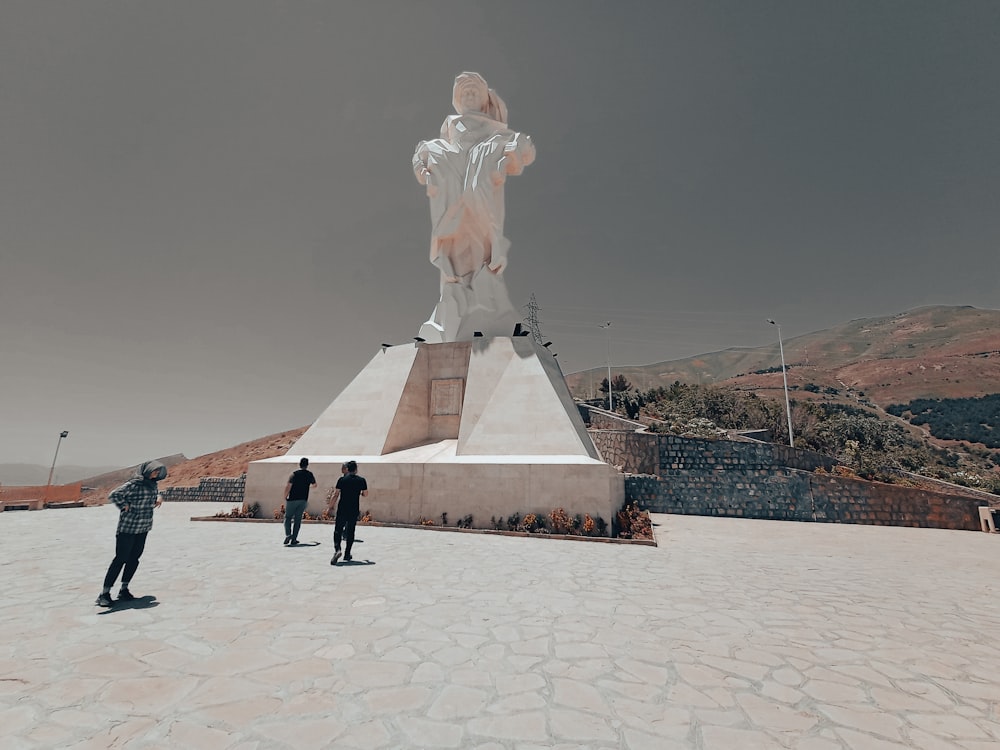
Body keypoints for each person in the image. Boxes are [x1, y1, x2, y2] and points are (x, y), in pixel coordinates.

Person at [412, 72, 535, 342]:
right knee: (454, 265)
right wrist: (426, 165)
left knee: (482, 256)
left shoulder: (497, 135)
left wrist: (510, 152)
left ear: (484, 101)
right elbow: (421, 161)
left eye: (474, 92)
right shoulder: (442, 141)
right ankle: (451, 317)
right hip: (451, 209)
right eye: (464, 92)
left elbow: (523, 152)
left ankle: (487, 313)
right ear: (456, 99)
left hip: (481, 208)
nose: (469, 96)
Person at [96, 460, 167, 606]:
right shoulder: (133, 484)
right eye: (154, 471)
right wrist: (124, 506)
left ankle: (124, 589)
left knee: (134, 558)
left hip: (144, 527)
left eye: (158, 472)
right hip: (128, 528)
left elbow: (155, 493)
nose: (156, 474)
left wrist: (159, 497)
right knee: (120, 558)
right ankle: (104, 593)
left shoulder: (152, 484)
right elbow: (114, 494)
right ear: (147, 471)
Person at [328, 460, 368, 565]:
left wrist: (330, 506)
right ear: (356, 469)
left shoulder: (342, 480)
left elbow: (336, 494)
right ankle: (347, 553)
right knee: (350, 531)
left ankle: (337, 550)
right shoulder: (361, 480)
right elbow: (365, 494)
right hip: (353, 509)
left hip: (342, 508)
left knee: (338, 530)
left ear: (347, 469)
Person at [283, 457, 316, 546]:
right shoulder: (309, 474)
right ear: (307, 465)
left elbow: (288, 486)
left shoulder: (294, 474)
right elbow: (315, 485)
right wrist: (307, 487)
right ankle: (294, 538)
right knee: (298, 520)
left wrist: (285, 496)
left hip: (292, 499)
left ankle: (288, 534)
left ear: (299, 464)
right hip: (303, 499)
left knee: (288, 518)